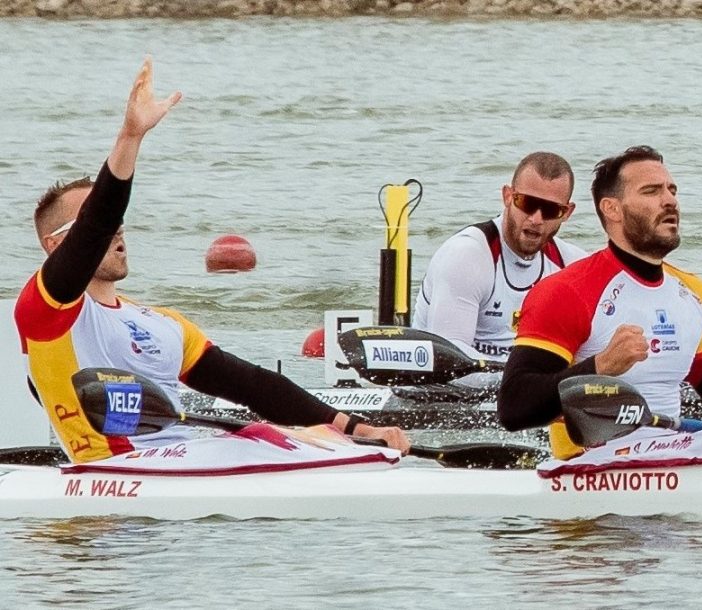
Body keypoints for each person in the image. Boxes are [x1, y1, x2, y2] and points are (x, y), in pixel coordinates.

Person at [14, 57, 410, 464]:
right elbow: (100, 219)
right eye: (89, 226)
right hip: (120, 469)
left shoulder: (163, 322)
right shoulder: (45, 312)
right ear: (54, 245)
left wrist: (360, 429)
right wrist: (131, 136)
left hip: (194, 451)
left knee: (270, 432)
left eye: (120, 224)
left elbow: (254, 386)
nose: (116, 231)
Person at [497, 145, 702, 459]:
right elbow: (514, 407)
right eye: (651, 191)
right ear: (612, 209)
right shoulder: (567, 292)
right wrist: (600, 366)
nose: (669, 200)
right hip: (591, 468)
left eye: (671, 190)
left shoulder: (692, 293)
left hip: (672, 456)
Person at [412, 152, 586, 365]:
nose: (536, 219)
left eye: (550, 210)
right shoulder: (466, 256)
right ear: (507, 196)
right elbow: (448, 362)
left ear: (567, 213)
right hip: (448, 392)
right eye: (527, 204)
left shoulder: (573, 265)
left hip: (520, 386)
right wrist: (525, 381)